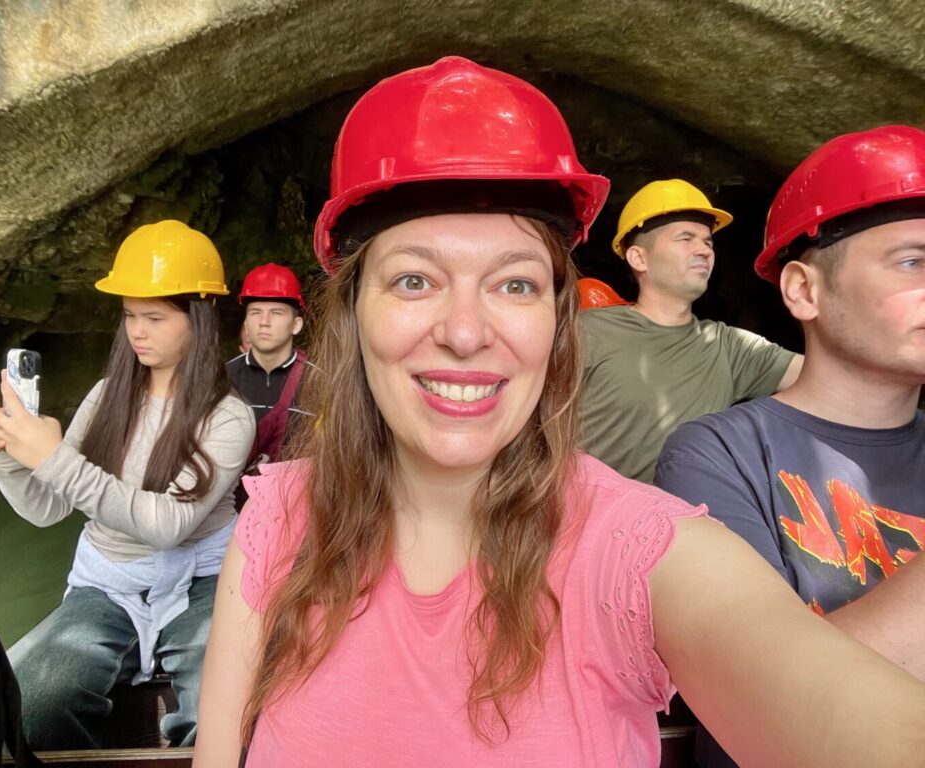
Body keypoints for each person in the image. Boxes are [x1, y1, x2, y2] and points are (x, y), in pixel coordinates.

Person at [193, 57, 925, 768]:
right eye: (414, 279)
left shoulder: (642, 549)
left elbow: (826, 698)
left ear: (556, 322)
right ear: (352, 314)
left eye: (515, 285)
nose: (466, 330)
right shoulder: (278, 520)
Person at [655, 124, 925, 768]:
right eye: (914, 261)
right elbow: (767, 711)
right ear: (804, 289)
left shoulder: (725, 347)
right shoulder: (716, 457)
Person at [0, 219, 255, 749]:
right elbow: (46, 509)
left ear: (199, 319)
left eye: (154, 316)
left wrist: (54, 457)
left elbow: (169, 525)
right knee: (29, 700)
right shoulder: (107, 394)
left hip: (203, 582)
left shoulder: (228, 416)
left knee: (222, 708)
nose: (137, 331)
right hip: (106, 582)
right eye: (129, 315)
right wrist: (11, 458)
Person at [578, 179, 803, 482]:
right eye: (685, 239)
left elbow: (829, 380)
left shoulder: (729, 347)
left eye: (708, 242)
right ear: (639, 258)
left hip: (689, 525)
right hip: (590, 519)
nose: (704, 251)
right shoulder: (587, 332)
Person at [226, 263, 312, 472]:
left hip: (296, 500)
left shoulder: (319, 382)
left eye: (276, 312)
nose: (264, 322)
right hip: (229, 502)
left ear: (296, 324)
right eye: (255, 312)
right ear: (246, 323)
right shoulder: (221, 379)